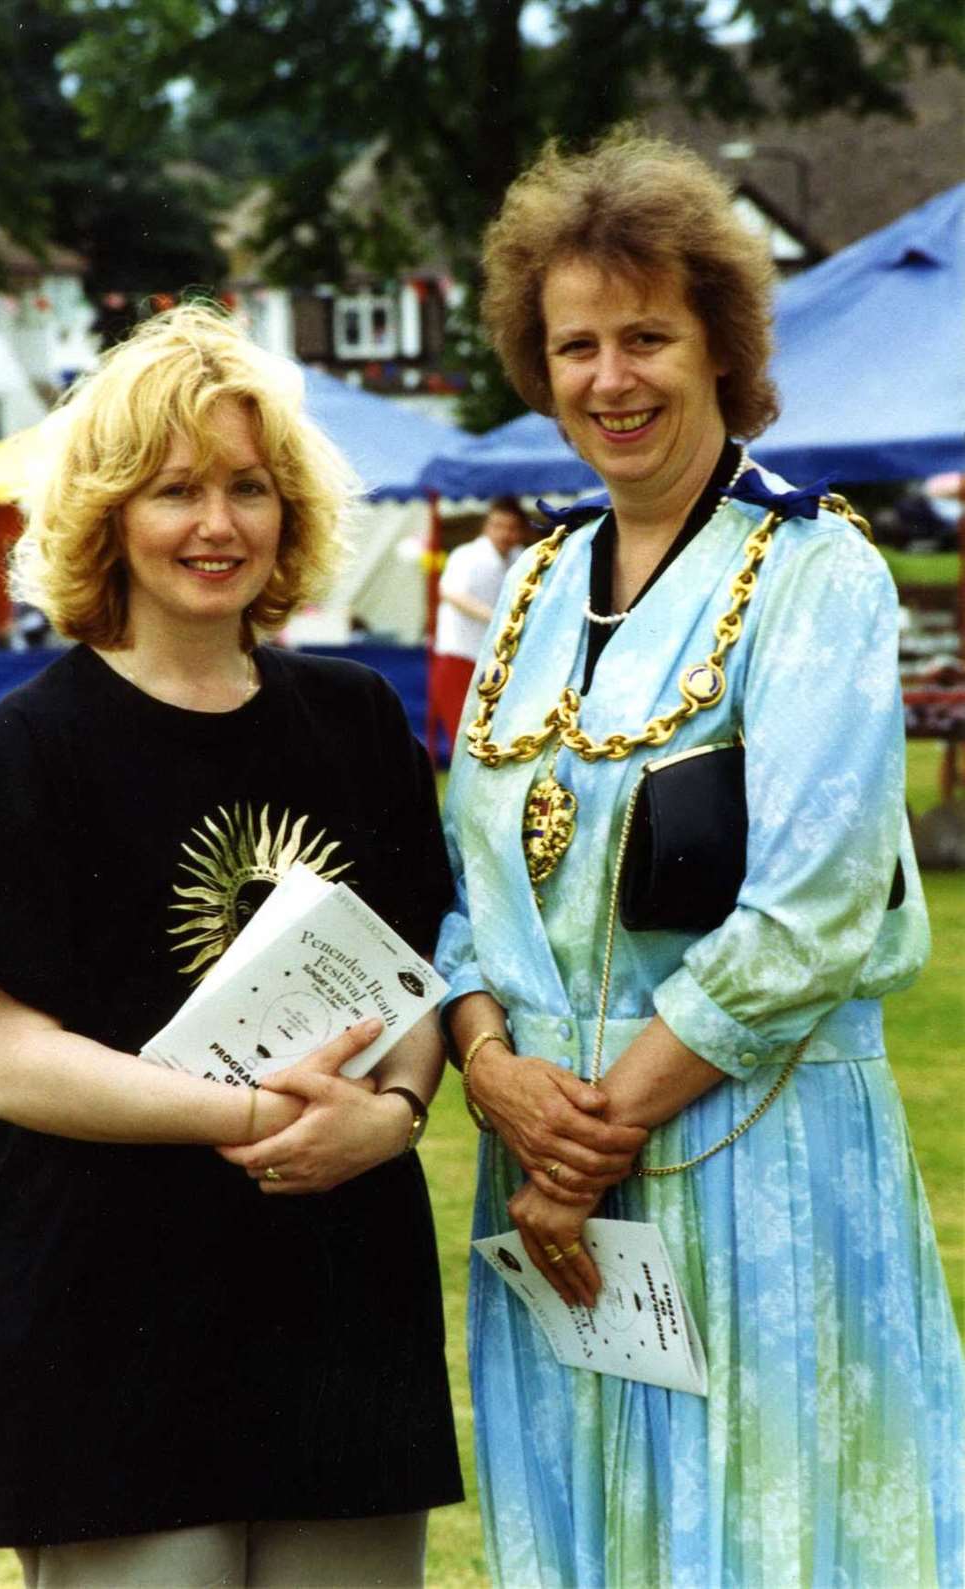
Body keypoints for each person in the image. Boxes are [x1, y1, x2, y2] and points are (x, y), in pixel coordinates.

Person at [437, 129, 963, 1588]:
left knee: (774, 1537)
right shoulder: (529, 589)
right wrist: (491, 1072)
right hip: (543, 1180)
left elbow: (811, 914)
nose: (612, 378)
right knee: (584, 1536)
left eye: (648, 335)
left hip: (754, 1166)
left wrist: (581, 1143)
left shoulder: (817, 574)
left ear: (721, 341)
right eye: (577, 344)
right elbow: (467, 883)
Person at [0, 304, 462, 1588]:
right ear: (109, 512)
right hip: (115, 1324)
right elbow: (4, 1060)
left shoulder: (358, 718)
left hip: (343, 1315)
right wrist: (255, 1105)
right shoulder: (34, 744)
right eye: (174, 489)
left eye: (248, 487)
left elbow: (421, 979)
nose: (217, 524)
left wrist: (392, 1113)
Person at [431, 496, 526, 752]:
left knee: (495, 734)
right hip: (460, 656)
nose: (504, 534)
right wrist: (494, 616)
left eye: (511, 527)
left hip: (496, 659)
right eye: (498, 526)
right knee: (464, 735)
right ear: (487, 527)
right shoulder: (468, 555)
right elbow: (450, 593)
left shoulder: (521, 558)